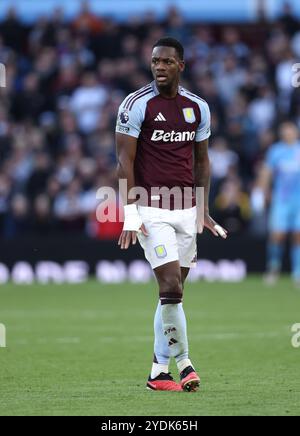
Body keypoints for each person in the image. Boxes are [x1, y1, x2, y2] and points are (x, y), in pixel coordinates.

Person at [115, 37, 227, 392]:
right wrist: (131, 215)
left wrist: (203, 210)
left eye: (166, 62)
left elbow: (202, 162)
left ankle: (157, 372)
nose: (159, 67)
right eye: (154, 62)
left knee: (171, 297)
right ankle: (187, 365)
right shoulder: (136, 104)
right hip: (152, 210)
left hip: (187, 213)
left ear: (181, 65)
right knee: (171, 287)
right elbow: (124, 163)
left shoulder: (198, 108)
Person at [255, 121, 300, 285]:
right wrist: (260, 192)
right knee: (277, 236)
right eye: (285, 131)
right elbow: (266, 173)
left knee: (298, 235)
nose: (288, 133)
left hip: (299, 201)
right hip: (281, 200)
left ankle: (297, 272)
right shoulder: (276, 151)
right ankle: (274, 267)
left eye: (290, 130)